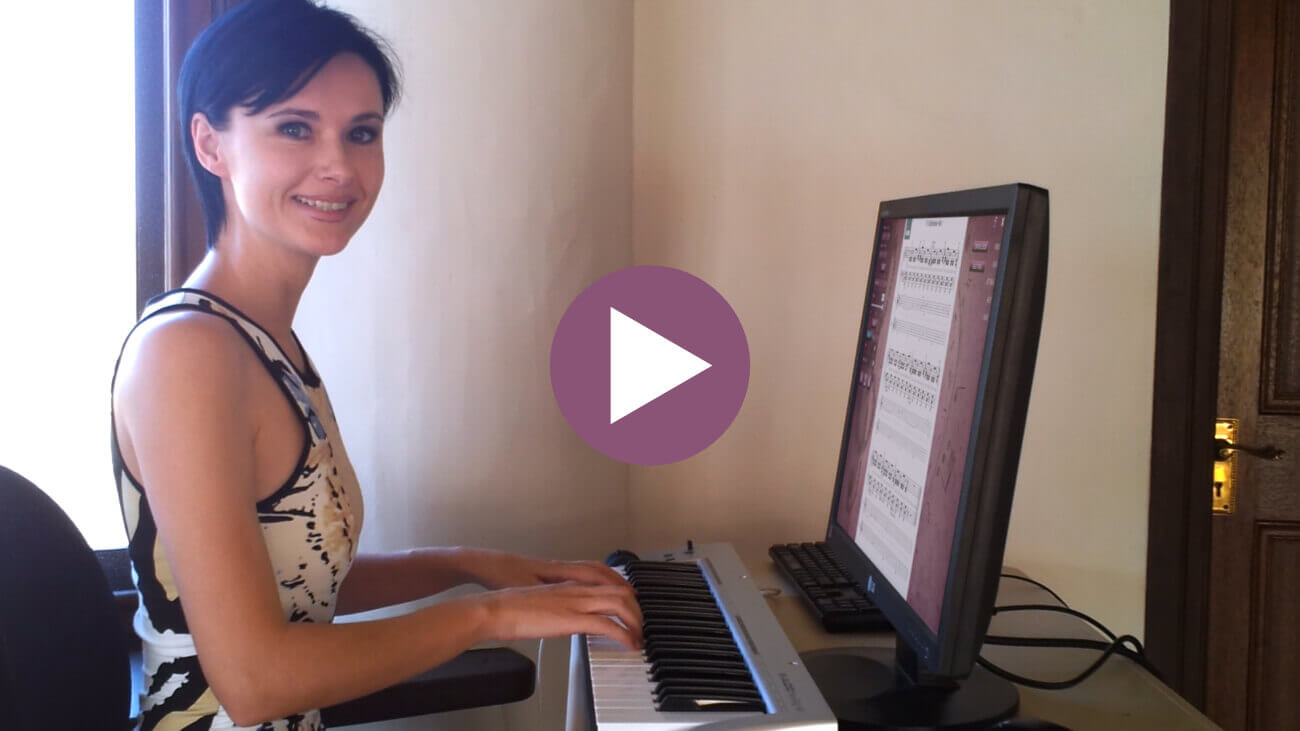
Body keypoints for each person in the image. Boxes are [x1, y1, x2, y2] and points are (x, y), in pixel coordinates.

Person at [110, 2, 641, 728]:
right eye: (295, 127)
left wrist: (470, 562)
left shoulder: (263, 340)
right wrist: (489, 616)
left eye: (362, 133)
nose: (338, 165)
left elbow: (296, 582)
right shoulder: (187, 354)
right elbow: (255, 679)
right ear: (211, 144)